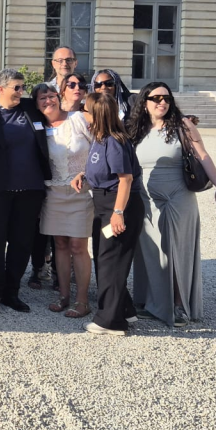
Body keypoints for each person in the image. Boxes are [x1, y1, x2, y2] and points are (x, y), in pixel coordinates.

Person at [127, 82, 216, 327]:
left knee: (176, 250)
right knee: (152, 252)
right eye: (156, 98)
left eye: (166, 98)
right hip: (146, 198)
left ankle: (179, 305)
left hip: (178, 196)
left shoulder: (183, 125)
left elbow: (203, 156)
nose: (162, 102)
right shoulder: (135, 129)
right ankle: (151, 302)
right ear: (145, 102)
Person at [0, 69, 51, 316]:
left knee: (21, 244)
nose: (21, 91)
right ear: (0, 89)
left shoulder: (31, 110)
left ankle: (11, 293)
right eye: (16, 87)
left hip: (30, 190)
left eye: (23, 87)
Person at [75, 92, 142, 336]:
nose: (83, 113)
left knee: (111, 262)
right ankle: (125, 309)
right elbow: (103, 169)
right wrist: (85, 175)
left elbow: (125, 180)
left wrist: (117, 213)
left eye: (86, 110)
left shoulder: (114, 141)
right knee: (105, 258)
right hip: (104, 203)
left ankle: (110, 321)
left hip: (118, 205)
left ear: (96, 114)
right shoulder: (99, 138)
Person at [33, 83, 94, 318]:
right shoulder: (38, 127)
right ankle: (63, 296)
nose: (48, 100)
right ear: (37, 104)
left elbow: (100, 147)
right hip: (53, 193)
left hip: (81, 192)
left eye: (51, 95)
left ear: (58, 97)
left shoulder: (79, 119)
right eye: (42, 98)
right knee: (59, 244)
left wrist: (88, 174)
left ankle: (82, 300)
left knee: (78, 247)